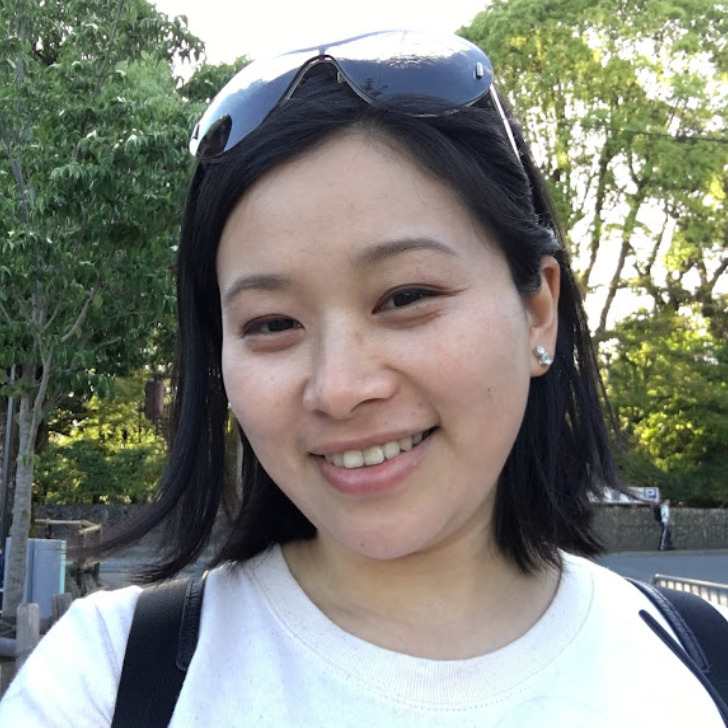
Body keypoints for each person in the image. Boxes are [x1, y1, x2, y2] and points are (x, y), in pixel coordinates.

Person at [0, 29, 726, 727]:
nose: (340, 388)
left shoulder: (696, 660)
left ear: (538, 310)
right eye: (272, 323)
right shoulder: (109, 680)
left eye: (405, 297)